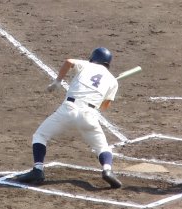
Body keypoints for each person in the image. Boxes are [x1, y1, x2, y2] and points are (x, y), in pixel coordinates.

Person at [16, 47, 123, 189]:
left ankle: (38, 170)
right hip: (88, 115)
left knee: (40, 135)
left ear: (93, 58)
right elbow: (104, 107)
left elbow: (68, 61)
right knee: (102, 147)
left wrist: (58, 81)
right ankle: (107, 170)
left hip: (68, 110)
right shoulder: (112, 81)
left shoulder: (87, 65)